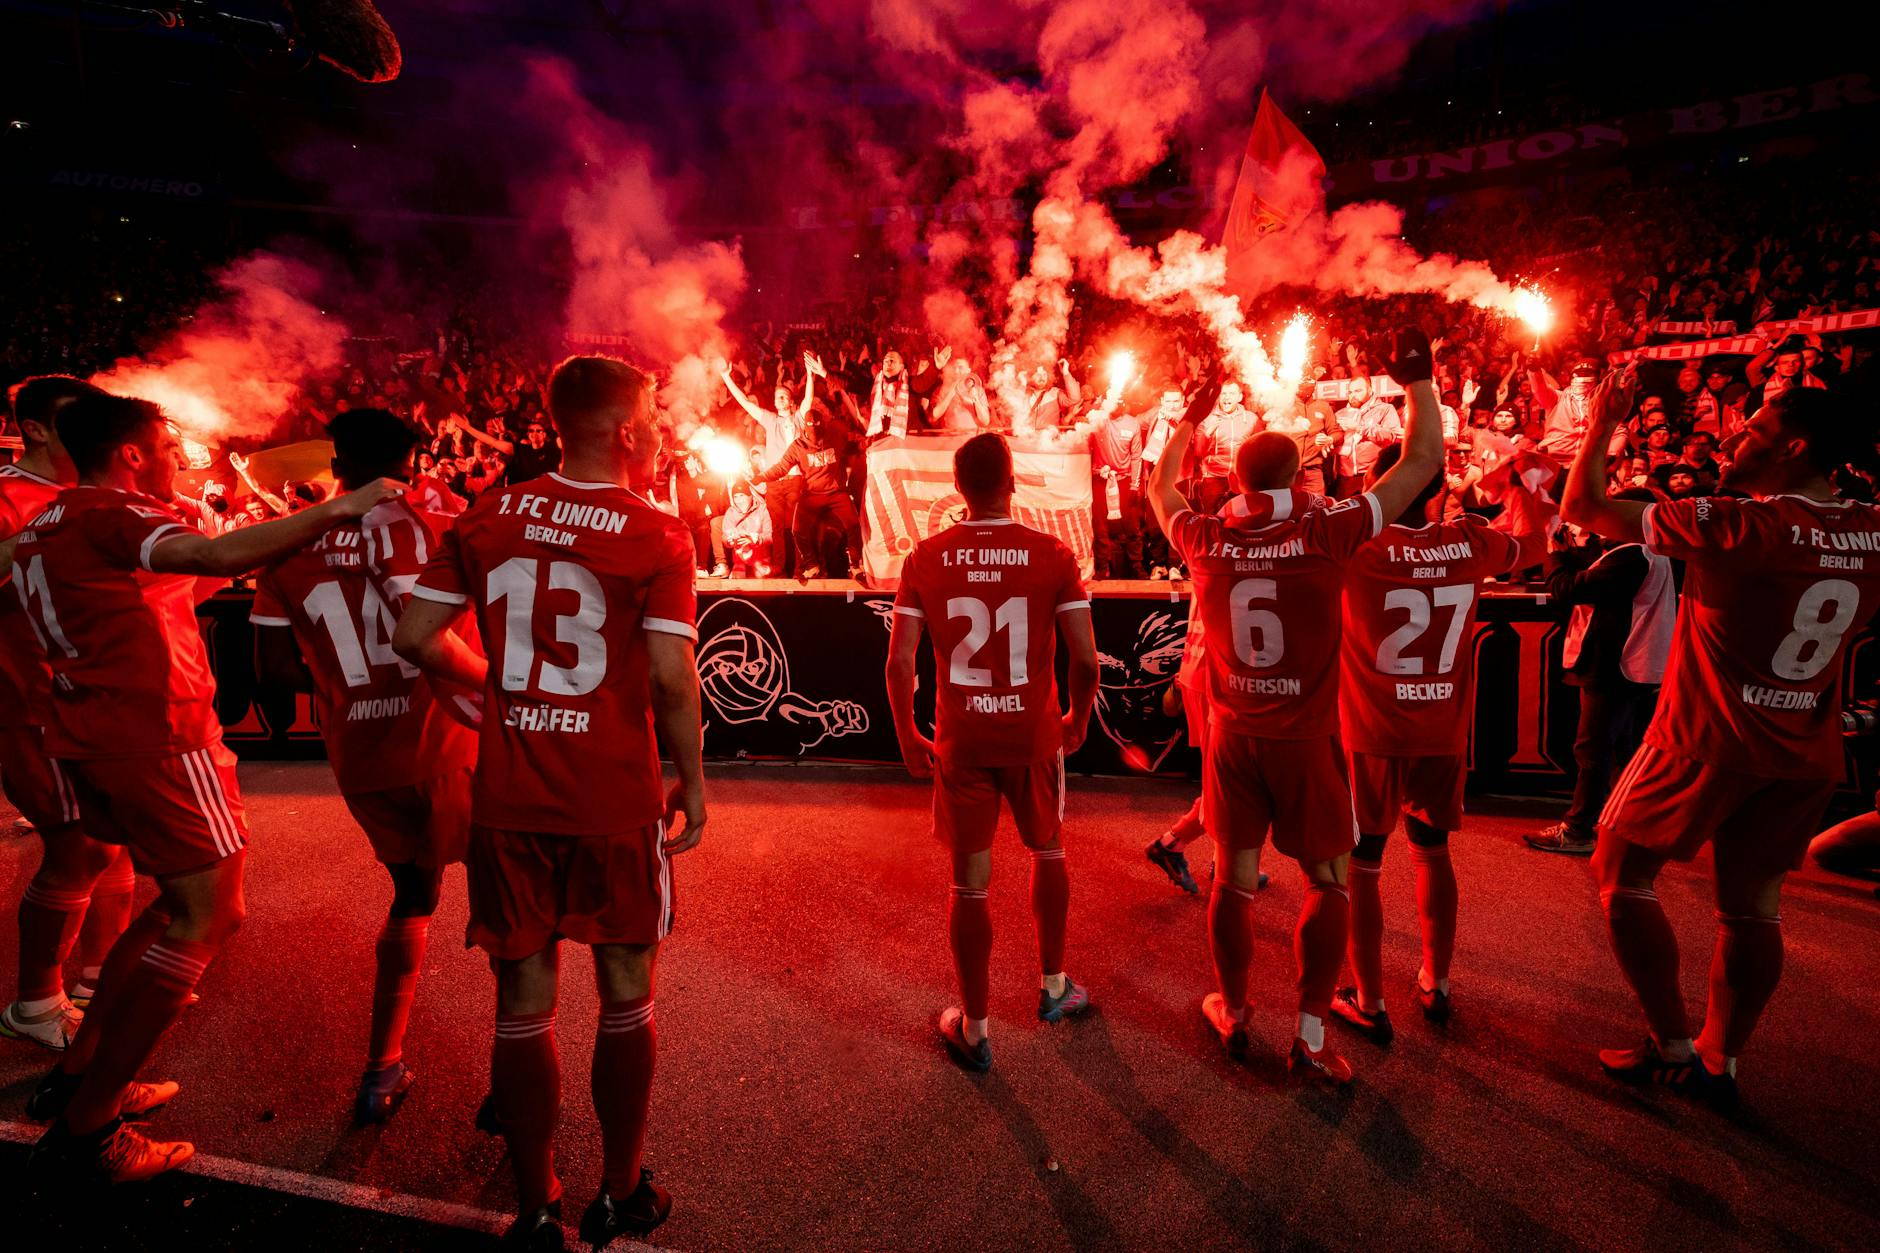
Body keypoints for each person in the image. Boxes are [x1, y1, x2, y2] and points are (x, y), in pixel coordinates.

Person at [20, 391, 401, 1182]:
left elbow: (159, 593)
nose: (177, 459)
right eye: (166, 446)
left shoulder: (45, 522)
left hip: (94, 736)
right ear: (129, 453)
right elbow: (213, 561)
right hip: (158, 736)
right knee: (211, 912)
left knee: (170, 903)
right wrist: (348, 505)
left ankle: (80, 1078)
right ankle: (89, 1131)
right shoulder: (114, 511)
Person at [393, 355, 705, 1247]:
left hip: (510, 795)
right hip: (612, 798)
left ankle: (535, 1209)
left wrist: (495, 684)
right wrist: (695, 775)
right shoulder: (656, 531)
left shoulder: (489, 512)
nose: (657, 431)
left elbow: (416, 634)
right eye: (649, 417)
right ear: (622, 428)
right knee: (623, 991)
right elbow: (675, 680)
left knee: (523, 998)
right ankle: (621, 1190)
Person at [1562, 377, 1880, 1106]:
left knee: (1620, 874)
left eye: (1753, 429)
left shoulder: (1738, 524)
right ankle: (1719, 1058)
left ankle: (1671, 1040)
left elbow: (1581, 507)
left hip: (1705, 736)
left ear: (1794, 448)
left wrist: (1604, 426)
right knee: (1752, 906)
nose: (1735, 437)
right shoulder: (1875, 528)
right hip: (1802, 751)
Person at [1148, 327, 1444, 1085]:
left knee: (1231, 880)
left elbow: (1159, 489)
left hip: (1234, 734)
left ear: (1237, 476)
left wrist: (1190, 417)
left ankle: (1235, 1008)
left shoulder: (1206, 536)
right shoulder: (1326, 526)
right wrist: (1417, 381)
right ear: (1304, 475)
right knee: (1327, 882)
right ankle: (1310, 1032)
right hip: (1308, 738)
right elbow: (1421, 464)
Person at [248, 407, 479, 1124]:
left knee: (414, 896)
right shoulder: (447, 523)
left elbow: (274, 668)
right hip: (458, 738)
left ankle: (381, 1069)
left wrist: (346, 686)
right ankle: (515, 1079)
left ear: (335, 461)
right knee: (507, 905)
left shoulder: (290, 545)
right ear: (412, 459)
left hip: (365, 754)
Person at [886, 432, 1100, 1070]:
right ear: (1012, 482)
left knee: (969, 885)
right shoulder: (1053, 553)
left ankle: (976, 1029)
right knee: (1048, 847)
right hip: (1033, 736)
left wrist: (906, 736)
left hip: (964, 740)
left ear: (959, 487)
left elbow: (899, 663)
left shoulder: (926, 555)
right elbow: (1085, 658)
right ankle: (1054, 988)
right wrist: (1077, 719)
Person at [1330, 442, 1546, 1043]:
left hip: (1371, 729)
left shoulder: (1359, 544)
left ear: (1382, 484)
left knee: (1363, 862)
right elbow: (1535, 546)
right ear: (1440, 490)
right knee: (1432, 849)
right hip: (1442, 728)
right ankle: (1436, 980)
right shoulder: (1471, 541)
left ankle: (1369, 1000)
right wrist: (1524, 487)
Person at [0, 377, 135, 1051]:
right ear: (37, 429)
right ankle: (35, 998)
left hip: (98, 698)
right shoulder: (6, 495)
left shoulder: (96, 491)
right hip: (31, 702)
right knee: (76, 845)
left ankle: (98, 978)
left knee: (112, 838)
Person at [722, 354, 819, 575]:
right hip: (775, 482)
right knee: (776, 526)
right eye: (777, 397)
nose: (779, 400)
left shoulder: (797, 419)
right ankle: (779, 567)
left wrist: (810, 374)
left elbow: (808, 400)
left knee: (794, 526)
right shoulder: (770, 420)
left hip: (795, 478)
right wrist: (727, 379)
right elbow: (746, 404)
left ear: (791, 402)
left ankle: (800, 567)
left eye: (784, 396)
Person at [754, 409, 862, 581]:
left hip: (836, 492)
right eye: (811, 433)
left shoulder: (835, 436)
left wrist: (866, 441)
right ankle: (811, 564)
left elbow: (856, 442)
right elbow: (782, 467)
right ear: (805, 429)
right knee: (797, 531)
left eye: (818, 433)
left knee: (853, 525)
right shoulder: (798, 446)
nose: (816, 438)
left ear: (823, 427)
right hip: (812, 493)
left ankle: (855, 565)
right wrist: (761, 477)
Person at [1333, 376, 1401, 498]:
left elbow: (1391, 437)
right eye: (1350, 392)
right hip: (1345, 477)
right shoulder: (1341, 414)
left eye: (1358, 391)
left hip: (1373, 475)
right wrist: (1327, 440)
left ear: (1370, 390)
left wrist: (1360, 427)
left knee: (1373, 515)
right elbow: (1334, 439)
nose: (1353, 395)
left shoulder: (1385, 409)